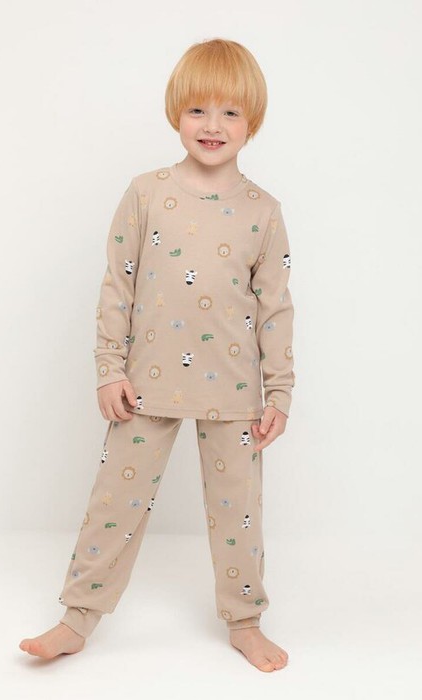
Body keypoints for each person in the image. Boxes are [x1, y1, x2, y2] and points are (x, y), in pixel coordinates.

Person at [19, 37, 295, 673]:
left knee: (238, 512)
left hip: (234, 390)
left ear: (252, 120)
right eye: (198, 109)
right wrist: (108, 369)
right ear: (176, 113)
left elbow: (276, 308)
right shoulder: (146, 193)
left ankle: (245, 620)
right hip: (145, 382)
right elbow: (117, 285)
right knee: (114, 502)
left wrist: (278, 391)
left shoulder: (263, 211)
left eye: (230, 112)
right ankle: (77, 619)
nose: (212, 125)